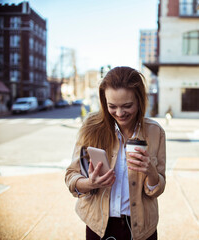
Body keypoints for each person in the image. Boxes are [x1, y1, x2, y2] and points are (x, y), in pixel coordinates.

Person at [65, 66, 166, 240]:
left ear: (140, 101)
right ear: (104, 102)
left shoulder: (155, 132)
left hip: (142, 229)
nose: (119, 113)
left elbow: (157, 189)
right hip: (98, 226)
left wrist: (151, 172)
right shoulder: (91, 127)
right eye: (112, 106)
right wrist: (90, 183)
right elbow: (71, 176)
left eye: (127, 106)